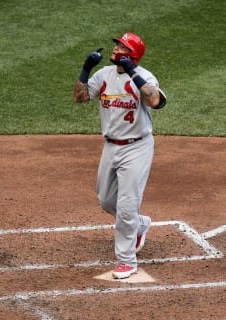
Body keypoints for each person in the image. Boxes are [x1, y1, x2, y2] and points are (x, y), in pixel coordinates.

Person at [73, 32, 167, 279]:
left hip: (137, 147)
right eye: (116, 45)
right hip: (111, 146)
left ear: (132, 55)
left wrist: (133, 73)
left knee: (126, 206)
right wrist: (85, 69)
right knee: (105, 199)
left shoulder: (145, 77)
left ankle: (127, 261)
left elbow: (155, 100)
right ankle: (140, 223)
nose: (116, 49)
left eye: (122, 48)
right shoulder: (104, 75)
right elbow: (80, 97)